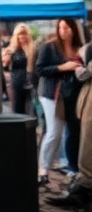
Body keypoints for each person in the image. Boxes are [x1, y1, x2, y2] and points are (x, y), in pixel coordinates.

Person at [34, 17, 83, 186]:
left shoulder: (80, 47)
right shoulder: (49, 46)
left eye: (66, 28)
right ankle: (43, 170)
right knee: (54, 131)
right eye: (60, 28)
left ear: (73, 29)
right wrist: (63, 67)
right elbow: (39, 69)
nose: (63, 31)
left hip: (73, 93)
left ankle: (73, 168)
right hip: (52, 93)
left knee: (74, 131)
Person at [47, 32, 92, 210]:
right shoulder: (88, 48)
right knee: (85, 145)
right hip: (86, 100)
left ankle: (83, 191)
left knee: (88, 147)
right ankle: (83, 189)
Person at [1, 23, 36, 115]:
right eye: (20, 33)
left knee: (31, 111)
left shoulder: (33, 49)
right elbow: (5, 66)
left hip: (32, 83)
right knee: (17, 109)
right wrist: (5, 58)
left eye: (24, 33)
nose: (22, 36)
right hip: (17, 82)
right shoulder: (12, 50)